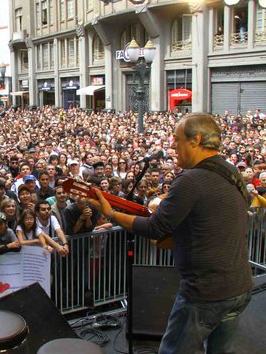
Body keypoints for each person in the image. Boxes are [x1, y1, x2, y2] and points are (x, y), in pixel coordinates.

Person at [89, 113, 253, 354]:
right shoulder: (230, 171)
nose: (172, 147)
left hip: (204, 293)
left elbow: (155, 227)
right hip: (239, 286)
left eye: (176, 140)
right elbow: (222, 212)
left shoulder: (190, 180)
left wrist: (111, 214)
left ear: (195, 140)